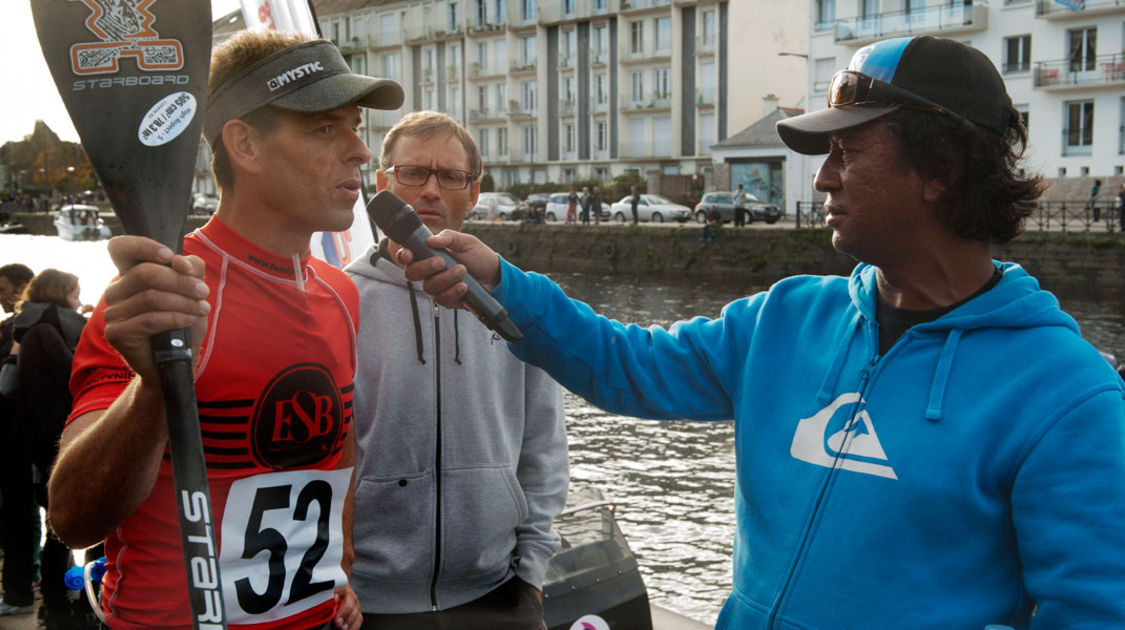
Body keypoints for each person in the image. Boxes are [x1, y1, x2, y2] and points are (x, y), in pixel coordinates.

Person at [399, 36, 1125, 628]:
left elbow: (1092, 613)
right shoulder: (785, 317)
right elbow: (626, 365)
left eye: (847, 153)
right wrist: (503, 284)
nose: (821, 181)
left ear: (939, 169)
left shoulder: (1065, 395)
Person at [48, 30, 404, 630]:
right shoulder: (161, 295)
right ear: (244, 145)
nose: (360, 152)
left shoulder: (341, 293)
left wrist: (338, 566)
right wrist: (155, 387)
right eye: (325, 128)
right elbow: (73, 518)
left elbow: (333, 448)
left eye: (355, 126)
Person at [343, 110, 568, 629]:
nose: (429, 191)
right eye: (413, 173)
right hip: (367, 601)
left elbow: (544, 448)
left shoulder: (518, 303)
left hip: (497, 593)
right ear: (382, 185)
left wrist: (531, 575)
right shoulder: (340, 300)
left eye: (450, 176)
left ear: (473, 192)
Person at [3, 269, 91, 629]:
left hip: (28, 439)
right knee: (62, 521)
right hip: (60, 437)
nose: (78, 296)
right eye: (75, 291)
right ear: (61, 293)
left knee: (40, 520)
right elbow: (77, 375)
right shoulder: (59, 330)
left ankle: (41, 595)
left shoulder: (22, 327)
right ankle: (58, 602)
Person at [0, 263, 36, 618]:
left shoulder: (20, 329)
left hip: (16, 440)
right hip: (30, 438)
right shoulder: (59, 323)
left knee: (17, 517)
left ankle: (20, 590)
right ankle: (32, 582)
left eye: (4, 289)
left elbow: (8, 385)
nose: (1, 298)